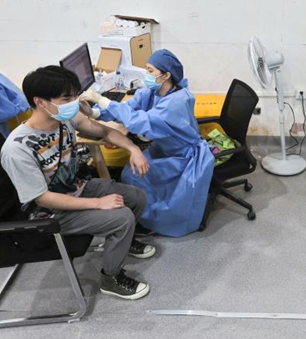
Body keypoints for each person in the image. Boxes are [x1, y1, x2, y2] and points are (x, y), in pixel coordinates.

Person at [0, 66, 155, 301]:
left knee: (136, 196)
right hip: (50, 213)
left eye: (75, 96)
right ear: (40, 102)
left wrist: (133, 148)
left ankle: (125, 241)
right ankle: (110, 278)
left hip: (76, 188)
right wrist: (98, 203)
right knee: (121, 216)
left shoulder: (65, 118)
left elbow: (103, 131)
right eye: (67, 99)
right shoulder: (17, 148)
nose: (74, 103)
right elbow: (42, 198)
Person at [83, 49, 215, 237]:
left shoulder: (176, 101)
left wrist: (103, 101)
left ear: (166, 75)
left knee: (135, 174)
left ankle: (151, 220)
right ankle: (143, 213)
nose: (146, 74)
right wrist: (96, 112)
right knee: (132, 172)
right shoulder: (153, 91)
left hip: (183, 157)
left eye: (150, 70)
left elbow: (141, 121)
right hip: (165, 149)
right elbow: (129, 108)